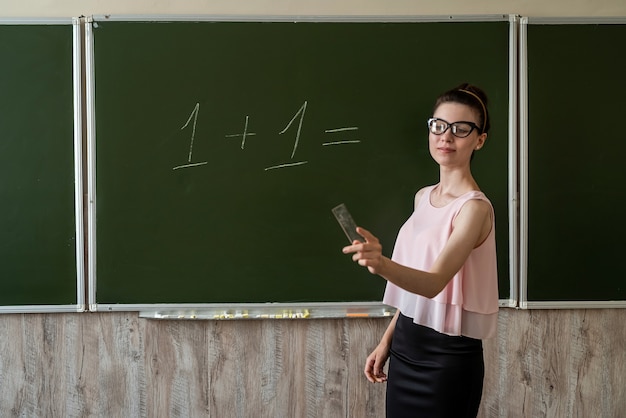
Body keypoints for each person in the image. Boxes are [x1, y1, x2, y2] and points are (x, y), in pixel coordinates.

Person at [342, 83, 499, 417]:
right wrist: (388, 341)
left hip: (447, 360)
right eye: (438, 126)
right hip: (405, 347)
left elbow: (433, 282)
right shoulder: (423, 196)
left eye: (460, 129)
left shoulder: (474, 209)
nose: (446, 137)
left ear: (479, 140)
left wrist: (380, 263)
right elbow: (416, 294)